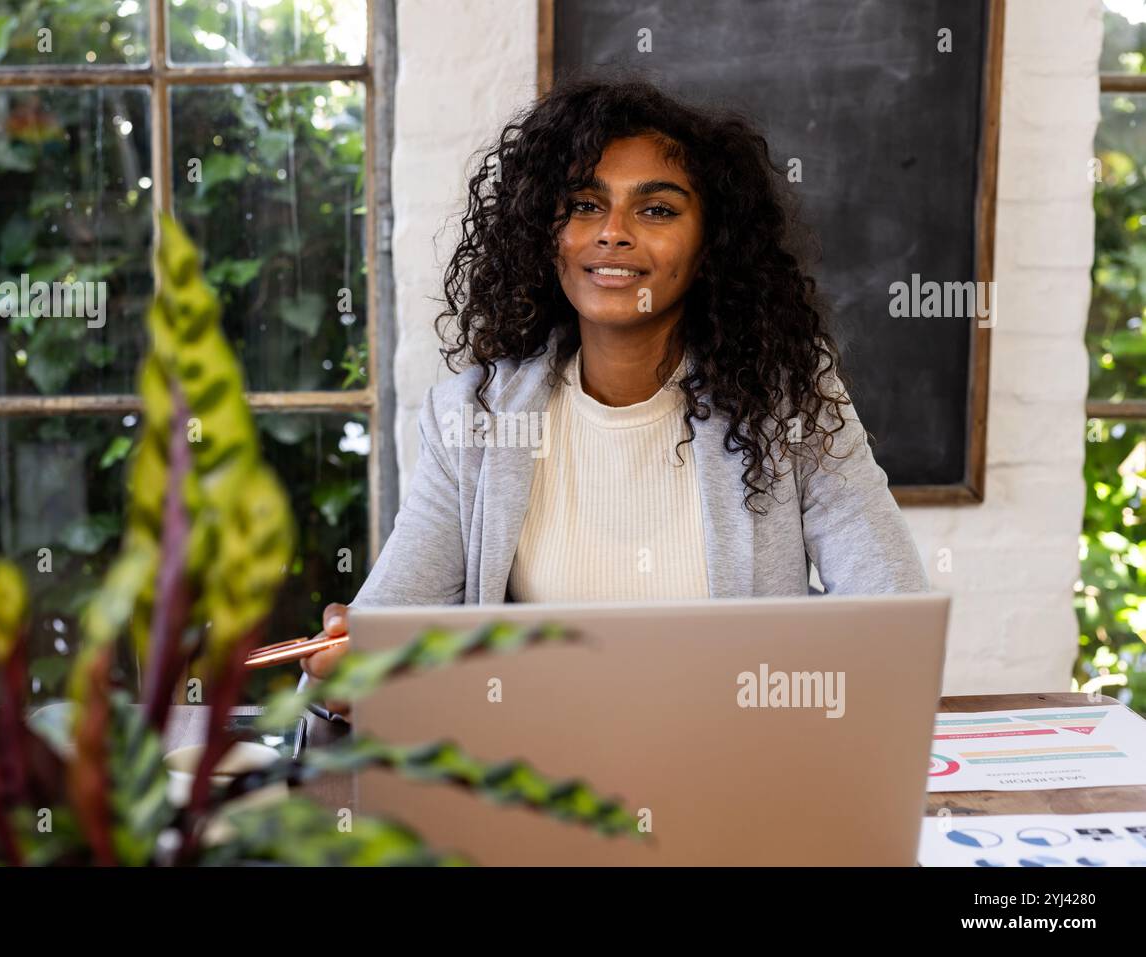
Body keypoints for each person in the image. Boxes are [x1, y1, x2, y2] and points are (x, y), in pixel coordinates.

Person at [301, 71, 929, 706]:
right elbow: (368, 656)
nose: (613, 233)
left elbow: (894, 623)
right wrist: (347, 666)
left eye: (656, 209)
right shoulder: (475, 417)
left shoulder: (790, 401)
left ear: (711, 243)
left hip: (735, 765)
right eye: (583, 205)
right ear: (545, 233)